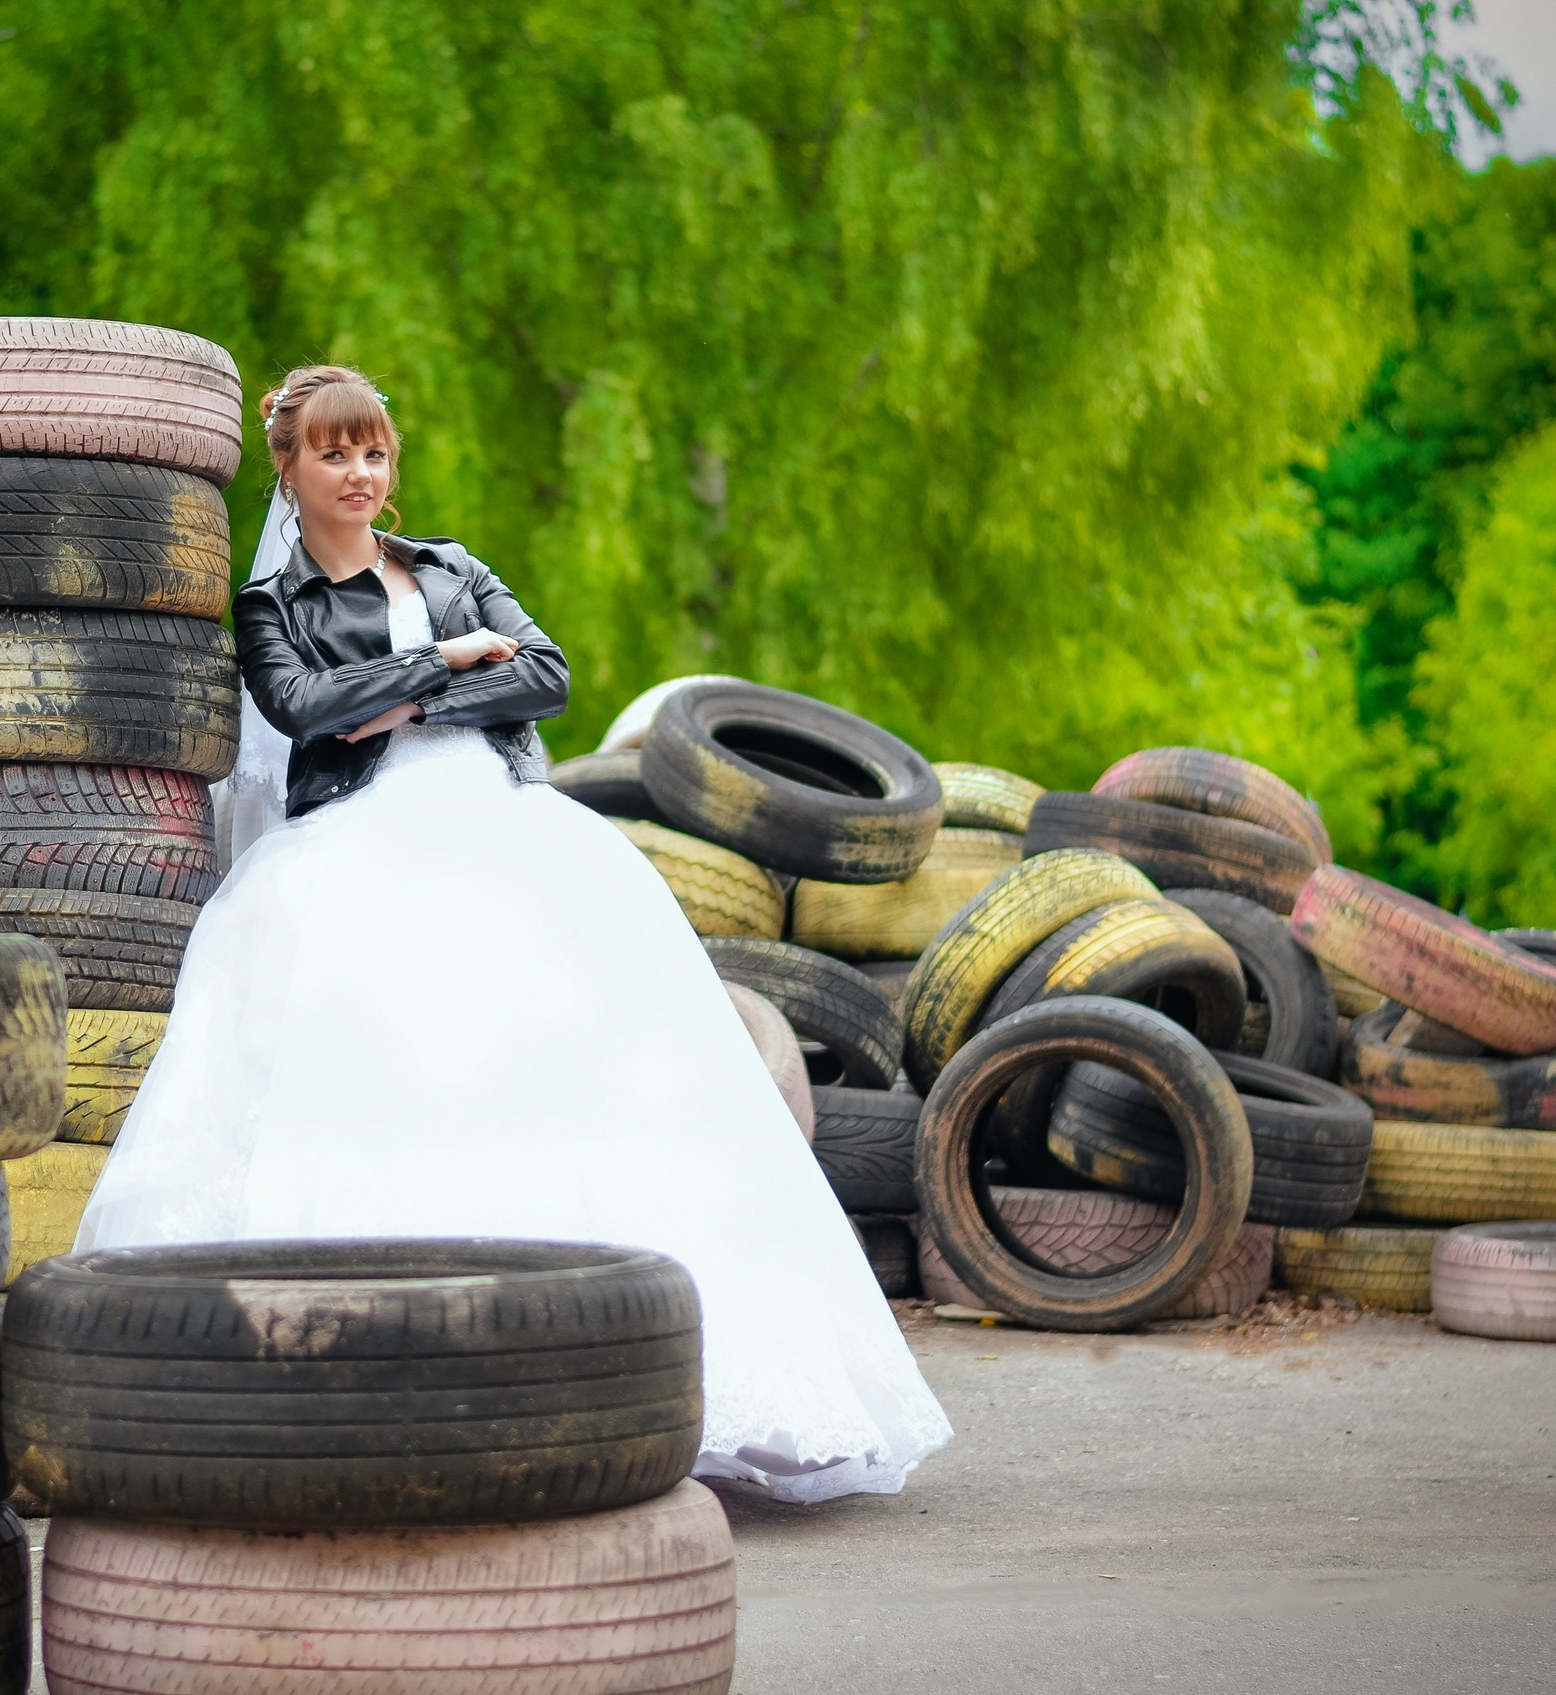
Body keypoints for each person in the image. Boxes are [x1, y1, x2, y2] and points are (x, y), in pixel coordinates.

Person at [74, 365, 952, 1501]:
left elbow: (546, 674)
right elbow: (299, 708)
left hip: (505, 820)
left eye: (374, 452)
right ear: (288, 469)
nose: (358, 472)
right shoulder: (270, 605)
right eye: (334, 453)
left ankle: (638, 1375)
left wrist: (410, 700)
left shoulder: (449, 565)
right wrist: (446, 660)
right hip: (358, 836)